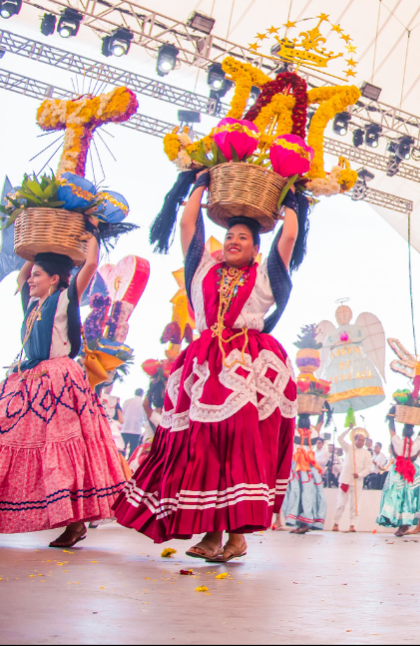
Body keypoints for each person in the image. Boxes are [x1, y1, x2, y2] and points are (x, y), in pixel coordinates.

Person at [115, 175, 301, 563]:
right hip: (203, 367)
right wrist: (197, 184)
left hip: (247, 365)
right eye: (230, 235)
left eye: (243, 238)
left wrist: (293, 204)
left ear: (255, 248)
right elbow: (187, 225)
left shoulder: (266, 276)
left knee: (238, 443)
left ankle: (236, 536)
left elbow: (287, 240)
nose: (233, 241)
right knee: (202, 446)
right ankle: (213, 534)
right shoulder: (201, 269)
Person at [0, 239, 125, 548]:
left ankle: (75, 523)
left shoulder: (64, 299)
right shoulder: (32, 304)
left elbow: (91, 265)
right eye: (33, 274)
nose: (30, 279)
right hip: (25, 379)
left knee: (60, 451)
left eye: (38, 275)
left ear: (54, 279)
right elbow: (20, 276)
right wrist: (33, 245)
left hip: (58, 382)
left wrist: (92, 231)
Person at [377, 410, 420, 537]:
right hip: (411, 473)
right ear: (413, 432)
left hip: (398, 472)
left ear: (403, 432)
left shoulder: (397, 441)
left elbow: (391, 431)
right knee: (408, 499)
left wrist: (391, 416)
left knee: (395, 496)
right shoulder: (416, 443)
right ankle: (404, 525)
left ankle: (398, 522)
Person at [284, 430, 326, 534]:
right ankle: (300, 524)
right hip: (298, 465)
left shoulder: (312, 433)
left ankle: (306, 523)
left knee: (306, 494)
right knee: (297, 494)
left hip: (306, 467)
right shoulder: (296, 432)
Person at [332, 428, 373, 533]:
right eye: (359, 440)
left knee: (355, 503)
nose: (361, 442)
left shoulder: (367, 453)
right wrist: (348, 429)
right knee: (341, 503)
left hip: (357, 481)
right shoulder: (349, 448)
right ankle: (336, 523)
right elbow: (340, 438)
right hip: (345, 480)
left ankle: (352, 524)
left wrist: (359, 475)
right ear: (354, 440)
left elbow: (368, 468)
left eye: (363, 440)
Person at [121, 388, 147, 456]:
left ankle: (120, 464)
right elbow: (145, 417)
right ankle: (129, 465)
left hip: (125, 428)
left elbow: (122, 413)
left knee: (122, 448)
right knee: (133, 451)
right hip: (136, 429)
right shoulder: (143, 403)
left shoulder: (127, 401)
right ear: (142, 394)